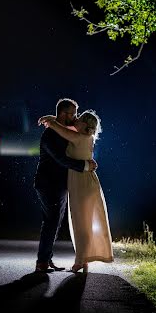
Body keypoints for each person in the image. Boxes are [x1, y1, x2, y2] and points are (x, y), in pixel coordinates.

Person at [38, 108, 114, 273]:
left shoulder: (78, 137)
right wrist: (54, 118)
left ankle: (80, 261)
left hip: (81, 183)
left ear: (85, 125)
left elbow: (59, 128)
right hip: (85, 182)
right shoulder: (87, 136)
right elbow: (64, 128)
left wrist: (51, 120)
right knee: (83, 223)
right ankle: (82, 260)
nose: (75, 120)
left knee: (80, 224)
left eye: (78, 118)